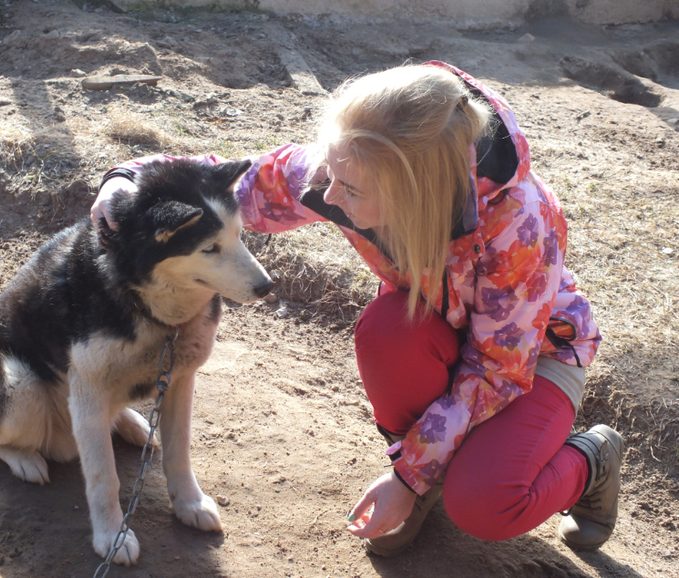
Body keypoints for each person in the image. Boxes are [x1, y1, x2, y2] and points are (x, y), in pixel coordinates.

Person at [91, 61, 623, 556]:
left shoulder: (521, 223)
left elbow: (497, 370)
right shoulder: (345, 166)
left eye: (349, 189)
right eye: (329, 169)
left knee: (485, 507)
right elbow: (219, 183)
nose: (326, 194)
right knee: (387, 331)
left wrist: (404, 477)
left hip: (532, 362)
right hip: (438, 335)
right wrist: (126, 180)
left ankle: (591, 460)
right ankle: (424, 481)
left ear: (413, 196)